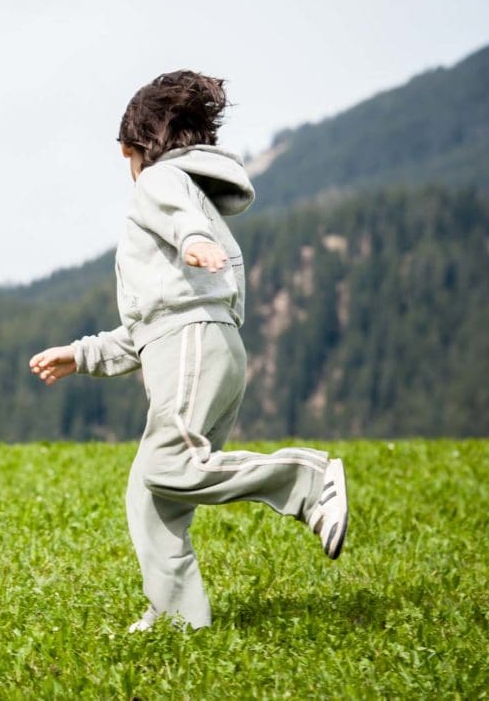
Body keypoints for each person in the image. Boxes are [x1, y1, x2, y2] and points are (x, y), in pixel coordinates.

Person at [28, 70, 349, 632]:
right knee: (152, 494)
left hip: (192, 344)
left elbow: (185, 227)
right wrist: (81, 355)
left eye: (125, 154)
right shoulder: (187, 191)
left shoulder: (159, 184)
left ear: (133, 147)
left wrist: (195, 240)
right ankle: (180, 619)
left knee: (167, 465)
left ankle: (307, 480)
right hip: (202, 345)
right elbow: (147, 325)